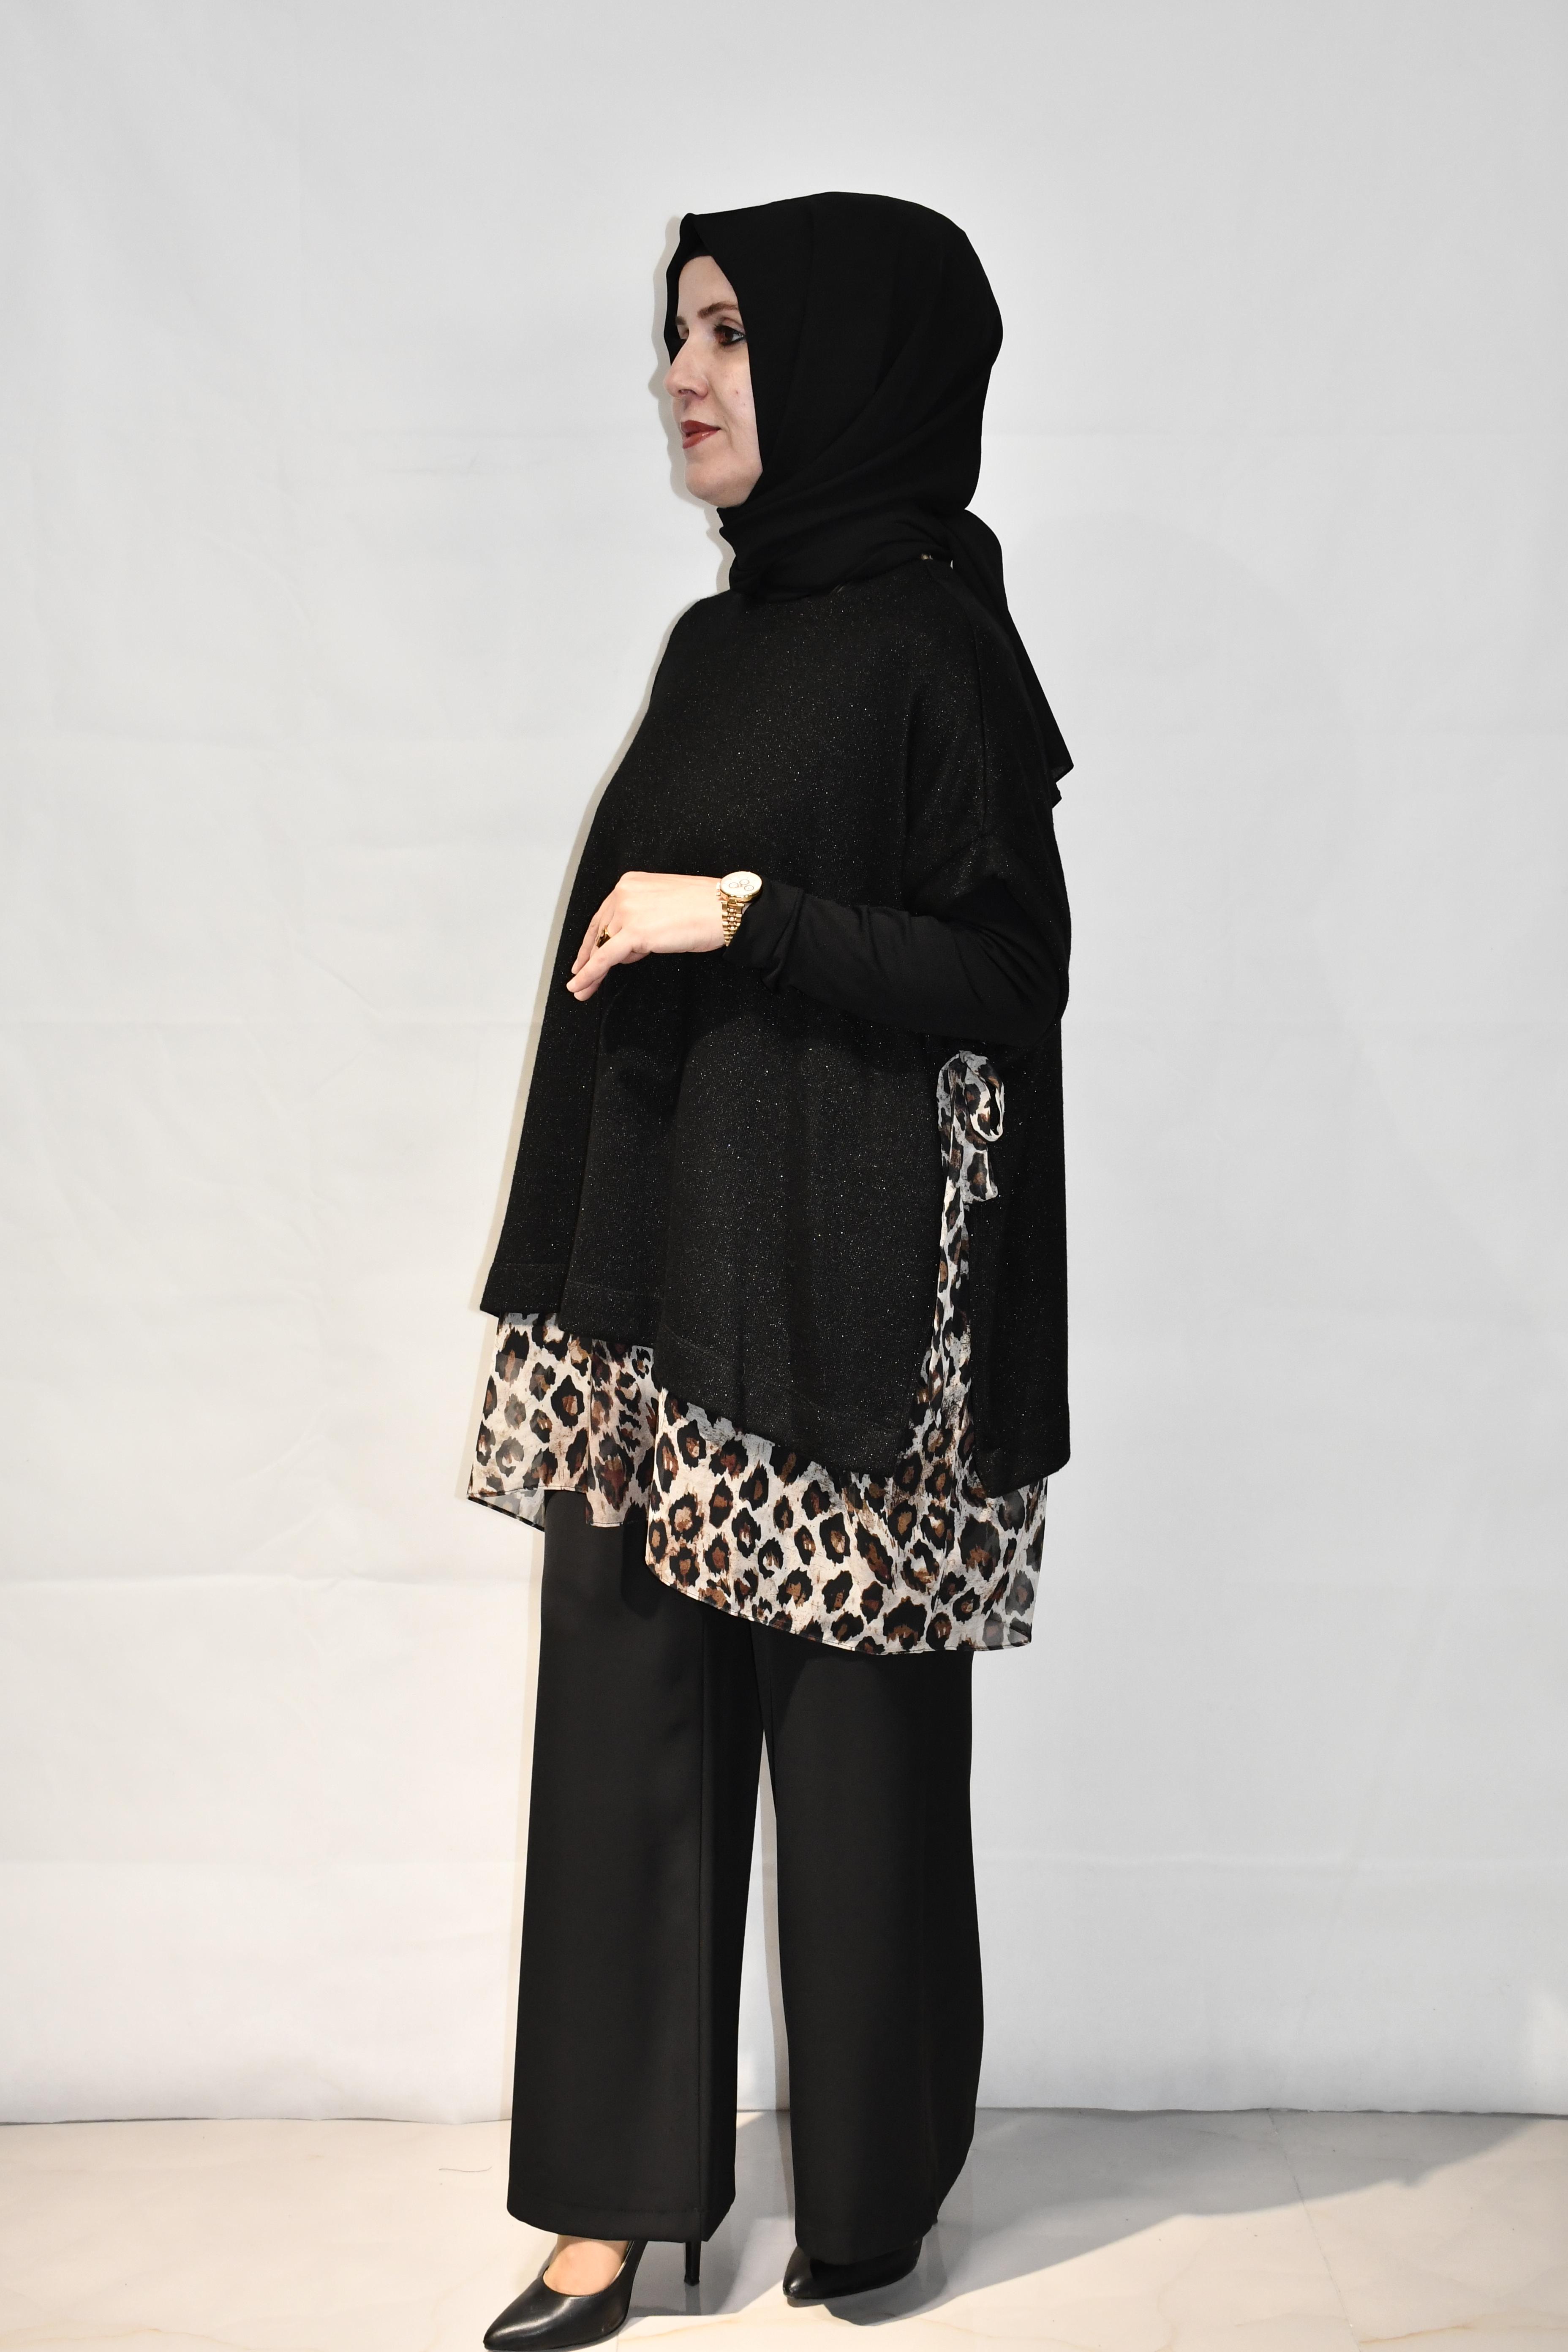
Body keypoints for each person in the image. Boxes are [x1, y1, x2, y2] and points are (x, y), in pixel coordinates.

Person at [470, 191, 1072, 2349]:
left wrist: (745, 912)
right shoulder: (717, 639)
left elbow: (1010, 971)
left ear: (847, 363)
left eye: (726, 333)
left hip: (850, 1279)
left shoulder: (938, 648)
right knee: (618, 1721)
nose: (680, 375)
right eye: (678, 332)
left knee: (854, 1753)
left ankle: (874, 2194)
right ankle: (606, 2210)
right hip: (655, 1262)